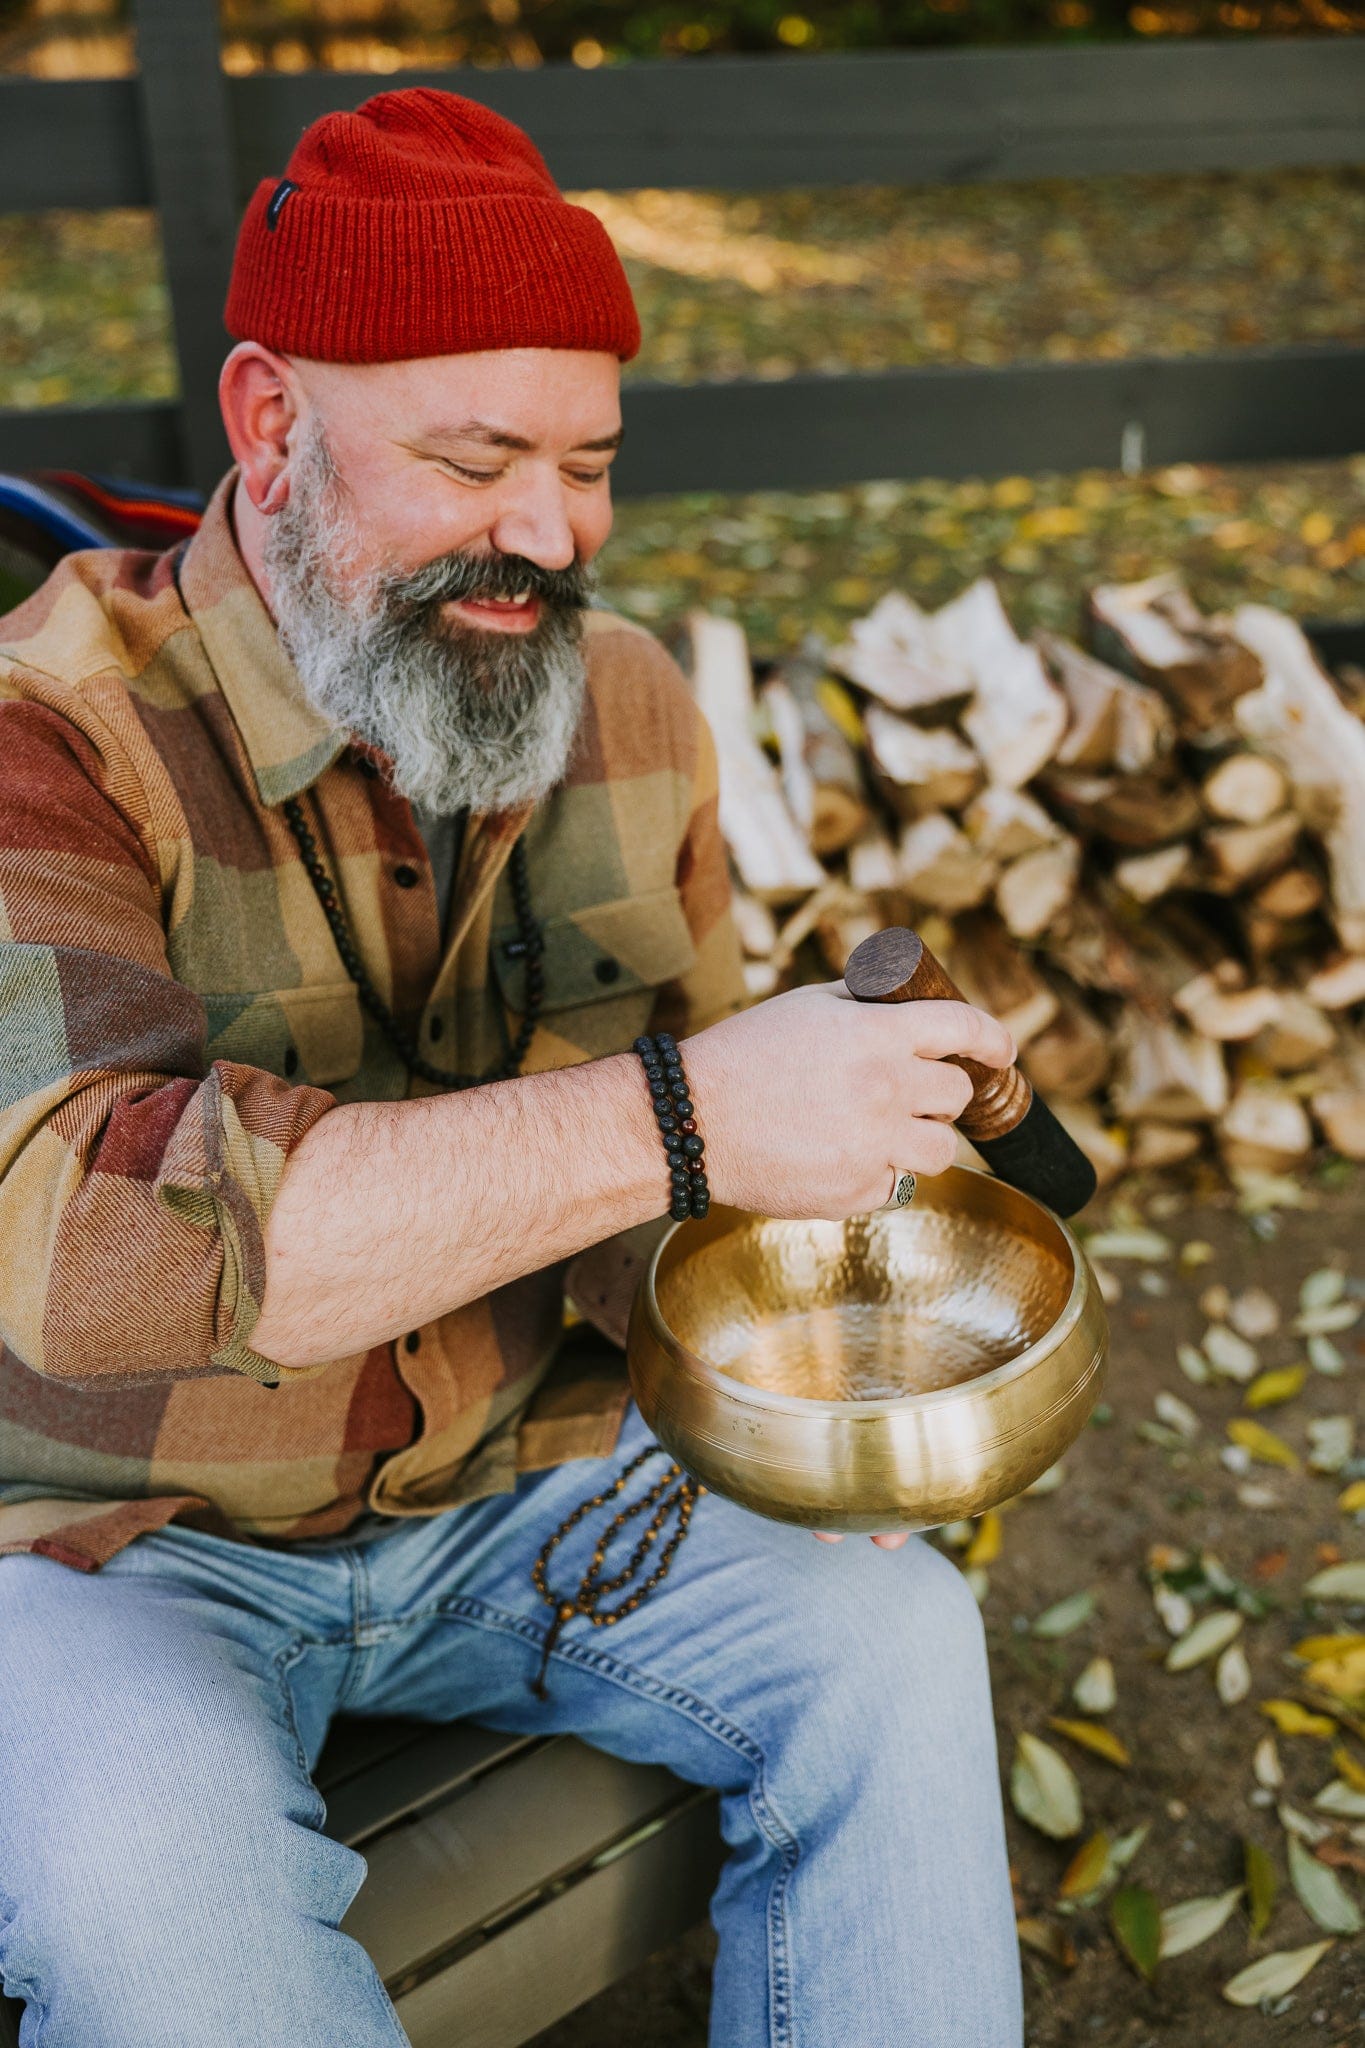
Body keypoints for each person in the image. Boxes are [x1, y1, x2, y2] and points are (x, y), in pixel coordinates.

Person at [0, 87, 1022, 2048]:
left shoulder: (625, 707)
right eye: (474, 459)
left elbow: (687, 1217)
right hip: (107, 1543)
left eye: (587, 462)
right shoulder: (49, 733)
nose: (547, 537)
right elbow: (78, 1253)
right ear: (271, 424)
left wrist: (797, 1374)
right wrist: (683, 1114)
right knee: (161, 1918)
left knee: (895, 1637)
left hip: (523, 1481)